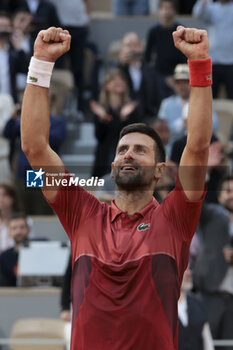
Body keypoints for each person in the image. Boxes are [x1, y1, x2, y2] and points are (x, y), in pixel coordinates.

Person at [21, 25, 212, 349]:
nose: (128, 155)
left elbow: (196, 146)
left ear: (159, 171)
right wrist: (40, 63)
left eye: (140, 150)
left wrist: (199, 64)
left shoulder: (176, 218)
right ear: (111, 165)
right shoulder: (81, 212)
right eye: (122, 149)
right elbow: (34, 147)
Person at [193, 175, 233, 349]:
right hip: (209, 295)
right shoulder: (212, 215)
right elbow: (193, 199)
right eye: (228, 191)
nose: (232, 195)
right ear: (219, 196)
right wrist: (205, 172)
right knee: (204, 345)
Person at [90, 68, 142, 177]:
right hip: (105, 157)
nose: (118, 82)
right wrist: (102, 119)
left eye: (121, 79)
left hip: (126, 155)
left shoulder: (131, 108)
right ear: (106, 85)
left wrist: (124, 118)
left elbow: (135, 134)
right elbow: (99, 136)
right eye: (113, 79)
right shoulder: (102, 109)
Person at [144, 0, 186, 98]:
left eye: (169, 8)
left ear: (175, 11)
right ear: (159, 11)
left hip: (178, 75)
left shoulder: (180, 31)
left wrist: (176, 77)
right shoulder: (153, 32)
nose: (166, 11)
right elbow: (148, 57)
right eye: (163, 8)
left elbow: (184, 56)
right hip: (158, 75)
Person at [192, 0, 233, 99]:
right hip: (213, 61)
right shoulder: (211, 7)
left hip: (231, 61)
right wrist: (203, 2)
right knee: (210, 97)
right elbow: (198, 14)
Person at [119, 32, 162, 119]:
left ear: (141, 48)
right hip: (122, 116)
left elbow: (157, 96)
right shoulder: (118, 69)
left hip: (147, 116)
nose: (132, 49)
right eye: (128, 45)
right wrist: (121, 65)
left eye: (135, 45)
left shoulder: (151, 71)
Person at [178, 267, 214, 350]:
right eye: (183, 269)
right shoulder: (161, 309)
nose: (189, 273)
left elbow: (207, 342)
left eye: (189, 269)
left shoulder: (198, 304)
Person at [0, 212, 30, 286]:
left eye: (22, 227)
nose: (18, 232)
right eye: (14, 228)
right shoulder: (4, 258)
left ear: (29, 230)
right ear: (9, 232)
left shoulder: (41, 251)